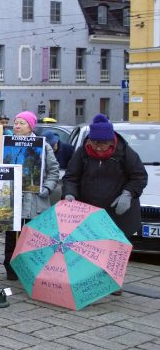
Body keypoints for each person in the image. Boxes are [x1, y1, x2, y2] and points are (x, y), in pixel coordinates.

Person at [62, 114, 147, 273]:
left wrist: (128, 194)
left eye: (103, 144)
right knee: (91, 247)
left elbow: (139, 176)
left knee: (116, 249)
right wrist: (69, 194)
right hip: (90, 211)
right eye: (95, 143)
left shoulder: (125, 152)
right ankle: (91, 278)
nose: (99, 147)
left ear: (111, 140)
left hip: (118, 211)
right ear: (90, 140)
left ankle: (114, 281)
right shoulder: (82, 153)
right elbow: (71, 177)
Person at [1, 111, 60, 280]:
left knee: (33, 237)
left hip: (35, 200)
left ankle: (31, 269)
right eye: (16, 122)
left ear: (30, 126)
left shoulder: (43, 146)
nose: (17, 126)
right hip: (13, 198)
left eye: (22, 123)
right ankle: (11, 269)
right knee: (12, 235)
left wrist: (47, 188)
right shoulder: (8, 144)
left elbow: (53, 170)